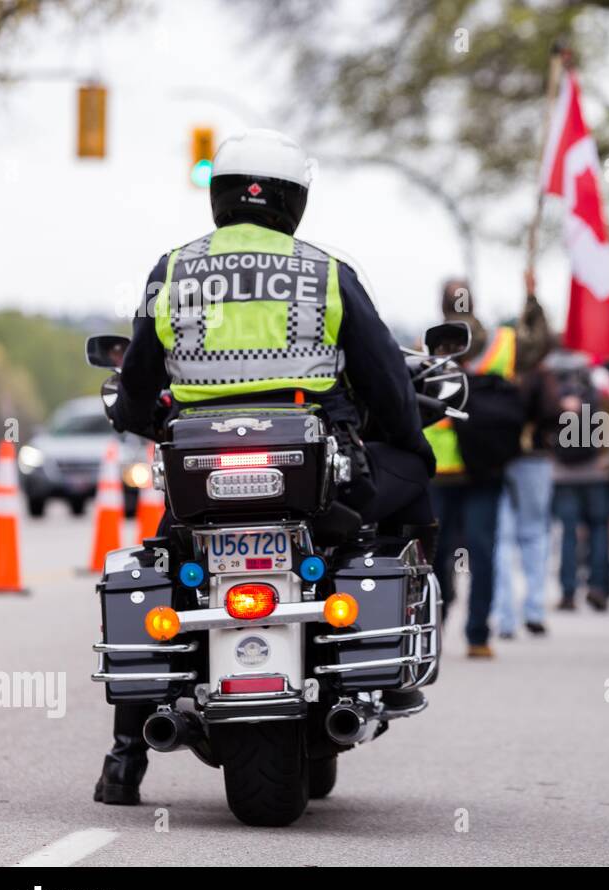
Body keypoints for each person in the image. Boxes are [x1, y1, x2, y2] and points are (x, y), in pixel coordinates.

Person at [95, 128, 436, 806]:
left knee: (159, 568)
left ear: (221, 196)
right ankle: (389, 655)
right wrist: (409, 439)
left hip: (203, 481)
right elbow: (385, 382)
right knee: (412, 479)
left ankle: (125, 760)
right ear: (294, 201)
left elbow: (136, 386)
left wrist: (140, 416)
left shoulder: (172, 271)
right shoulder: (326, 272)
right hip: (313, 478)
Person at [425, 280, 525, 659]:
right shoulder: (498, 343)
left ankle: (436, 628)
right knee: (480, 552)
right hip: (484, 468)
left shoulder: (428, 345)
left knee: (438, 557)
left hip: (443, 470)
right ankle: (477, 635)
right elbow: (536, 346)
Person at [491, 272, 561, 639]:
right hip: (533, 458)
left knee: (502, 539)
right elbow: (552, 411)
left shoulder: (494, 368)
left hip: (499, 459)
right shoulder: (539, 372)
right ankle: (533, 607)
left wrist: (532, 298)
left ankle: (505, 616)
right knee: (533, 534)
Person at [548, 349, 609, 611]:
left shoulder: (553, 389)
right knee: (600, 529)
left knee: (568, 532)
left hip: (562, 473)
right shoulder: (600, 386)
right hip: (596, 471)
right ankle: (599, 586)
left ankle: (568, 592)